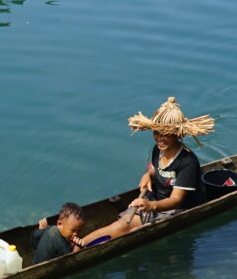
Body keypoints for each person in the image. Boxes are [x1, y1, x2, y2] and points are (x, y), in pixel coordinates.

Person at [80, 97, 214, 246]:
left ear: (178, 134)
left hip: (176, 209)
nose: (160, 138)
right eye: (157, 133)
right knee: (121, 225)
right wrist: (148, 175)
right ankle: (77, 247)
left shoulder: (187, 161)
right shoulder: (158, 149)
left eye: (166, 134)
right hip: (154, 200)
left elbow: (176, 200)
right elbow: (153, 166)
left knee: (134, 235)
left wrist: (150, 206)